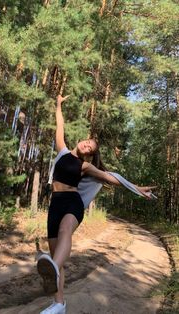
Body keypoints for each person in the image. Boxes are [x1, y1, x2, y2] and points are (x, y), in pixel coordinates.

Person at [37, 95, 156, 314]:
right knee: (57, 258)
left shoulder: (85, 167)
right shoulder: (62, 150)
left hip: (72, 204)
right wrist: (59, 104)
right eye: (87, 142)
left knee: (65, 232)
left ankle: (52, 268)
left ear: (89, 155)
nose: (87, 146)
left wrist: (137, 188)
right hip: (55, 204)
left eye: (90, 149)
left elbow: (112, 178)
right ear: (81, 141)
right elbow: (59, 124)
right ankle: (59, 304)